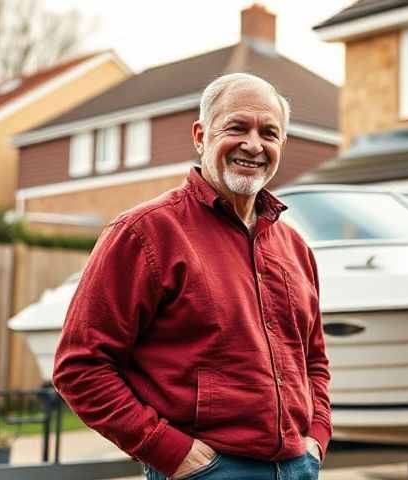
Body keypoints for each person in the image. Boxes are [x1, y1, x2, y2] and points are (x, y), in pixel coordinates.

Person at [53, 73, 331, 480]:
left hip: (297, 467)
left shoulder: (295, 248)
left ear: (281, 145)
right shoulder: (144, 233)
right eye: (237, 127)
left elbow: (314, 362)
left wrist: (316, 438)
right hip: (207, 471)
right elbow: (80, 367)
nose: (254, 144)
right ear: (201, 136)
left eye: (269, 133)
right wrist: (169, 451)